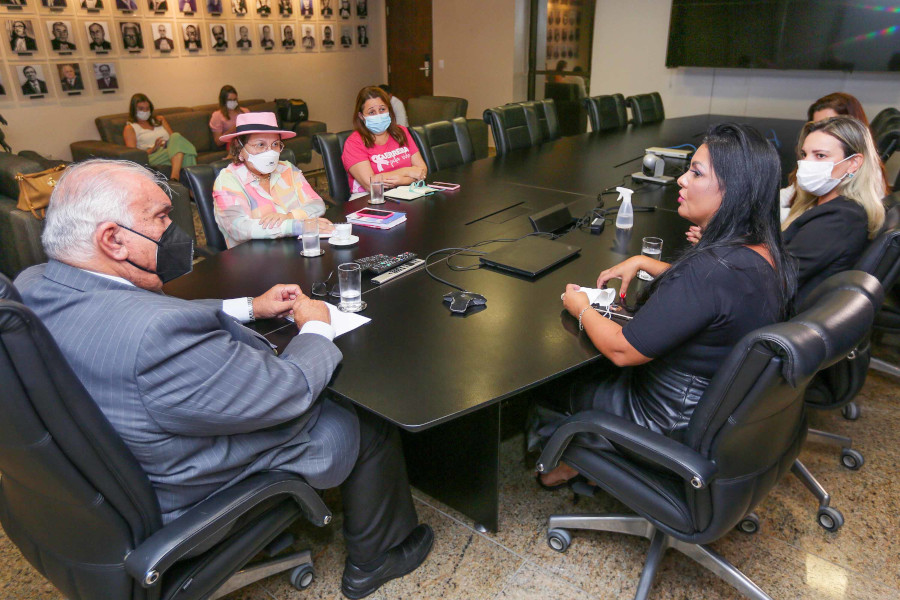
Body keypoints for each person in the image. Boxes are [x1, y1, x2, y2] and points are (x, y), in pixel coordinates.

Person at [14, 159, 434, 600]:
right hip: (183, 487)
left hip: (98, 480)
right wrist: (316, 325)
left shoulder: (35, 283)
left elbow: (141, 314)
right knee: (363, 413)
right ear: (113, 239)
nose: (175, 231)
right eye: (160, 218)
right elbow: (288, 390)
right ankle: (379, 558)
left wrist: (249, 307)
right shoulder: (155, 340)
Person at [536, 123, 795, 488]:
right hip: (714, 414)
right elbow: (721, 297)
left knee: (560, 380)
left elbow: (622, 350)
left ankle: (575, 458)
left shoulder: (711, 270)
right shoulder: (763, 253)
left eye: (696, 172)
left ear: (733, 190)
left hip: (663, 419)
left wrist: (580, 306)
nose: (681, 181)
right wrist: (649, 263)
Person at [781, 116, 886, 306]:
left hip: (781, 313)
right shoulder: (822, 204)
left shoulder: (841, 218)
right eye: (804, 155)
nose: (807, 163)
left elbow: (779, 275)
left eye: (820, 155)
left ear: (853, 163)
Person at [213, 112, 333, 248]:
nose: (269, 152)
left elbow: (317, 204)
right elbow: (239, 228)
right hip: (251, 259)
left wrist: (289, 216)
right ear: (240, 149)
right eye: (260, 145)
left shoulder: (286, 168)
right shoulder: (228, 180)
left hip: (295, 249)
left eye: (275, 144)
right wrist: (297, 226)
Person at [779, 92, 888, 220]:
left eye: (831, 125)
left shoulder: (866, 180)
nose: (821, 130)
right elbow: (788, 194)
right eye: (818, 124)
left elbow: (817, 219)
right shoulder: (814, 162)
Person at [342, 86, 426, 197]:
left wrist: (403, 181)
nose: (379, 115)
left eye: (382, 109)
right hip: (369, 198)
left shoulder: (401, 132)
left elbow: (422, 170)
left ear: (389, 109)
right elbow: (371, 184)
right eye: (371, 112)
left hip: (406, 192)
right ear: (361, 116)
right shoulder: (354, 143)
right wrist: (407, 171)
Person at [123, 93, 198, 181]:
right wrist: (153, 148)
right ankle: (180, 180)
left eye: (147, 109)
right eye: (141, 109)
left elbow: (173, 138)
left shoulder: (159, 120)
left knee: (176, 137)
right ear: (133, 110)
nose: (145, 111)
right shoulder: (130, 128)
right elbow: (133, 156)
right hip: (152, 155)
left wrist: (168, 144)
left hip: (169, 149)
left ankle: (176, 180)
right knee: (186, 152)